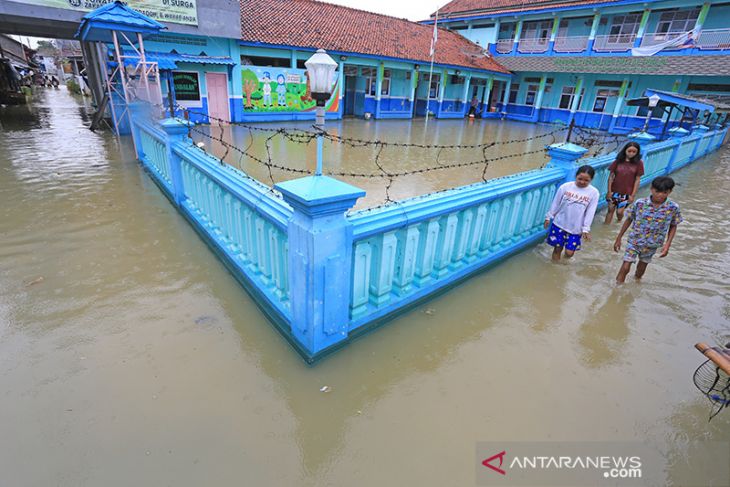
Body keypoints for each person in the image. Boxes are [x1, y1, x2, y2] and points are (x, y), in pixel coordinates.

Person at [613, 176, 682, 283]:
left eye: (665, 192)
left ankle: (636, 284)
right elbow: (629, 219)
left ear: (670, 192)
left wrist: (667, 244)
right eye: (657, 191)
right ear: (651, 189)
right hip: (634, 241)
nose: (660, 195)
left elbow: (673, 225)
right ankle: (617, 288)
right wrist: (619, 238)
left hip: (652, 243)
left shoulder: (673, 207)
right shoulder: (640, 203)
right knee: (625, 266)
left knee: (641, 270)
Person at [544, 165, 599, 262]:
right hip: (560, 223)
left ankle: (565, 261)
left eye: (586, 180)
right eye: (580, 179)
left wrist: (586, 228)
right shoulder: (565, 187)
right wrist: (549, 217)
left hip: (576, 228)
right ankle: (555, 268)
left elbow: (591, 211)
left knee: (570, 252)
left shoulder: (594, 193)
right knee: (557, 249)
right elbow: (556, 203)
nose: (582, 182)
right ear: (576, 176)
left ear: (591, 180)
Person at [604, 142, 644, 224]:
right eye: (629, 151)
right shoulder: (618, 161)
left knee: (619, 212)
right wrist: (609, 191)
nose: (631, 153)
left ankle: (618, 222)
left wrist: (632, 195)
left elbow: (637, 180)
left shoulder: (639, 163)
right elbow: (611, 177)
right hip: (614, 190)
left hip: (627, 193)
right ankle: (605, 227)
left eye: (634, 152)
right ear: (625, 150)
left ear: (637, 152)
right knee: (610, 209)